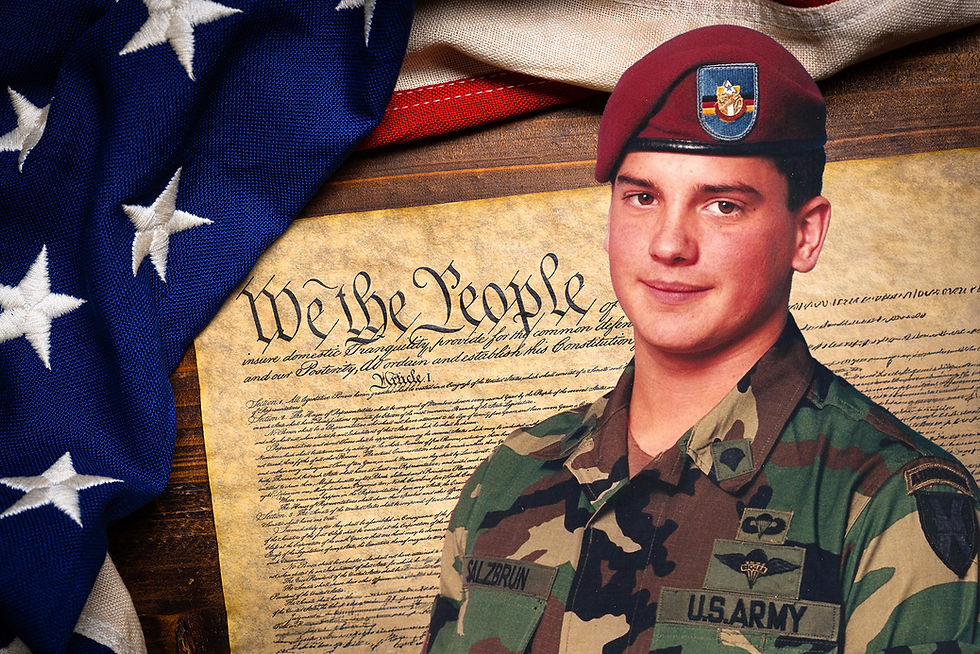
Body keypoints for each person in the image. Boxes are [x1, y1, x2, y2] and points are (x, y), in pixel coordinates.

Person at [422, 25, 979, 654]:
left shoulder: (890, 503)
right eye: (642, 197)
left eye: (722, 206)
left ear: (806, 234)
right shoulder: (512, 477)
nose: (668, 244)